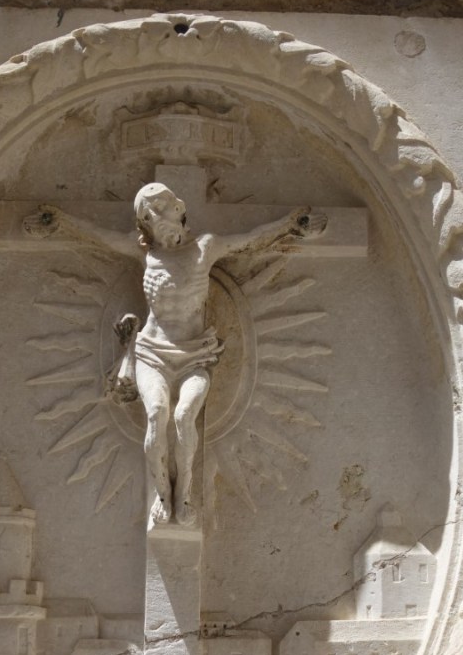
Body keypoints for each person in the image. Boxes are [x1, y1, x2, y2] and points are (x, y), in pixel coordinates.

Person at [24, 183, 327, 528]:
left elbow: (250, 241)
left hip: (195, 355)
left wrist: (290, 225)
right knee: (156, 412)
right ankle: (163, 495)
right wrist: (61, 223)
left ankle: (183, 493)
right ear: (144, 224)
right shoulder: (146, 254)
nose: (155, 216)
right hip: (152, 353)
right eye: (147, 214)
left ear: (178, 208)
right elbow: (100, 238)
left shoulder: (205, 248)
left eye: (160, 207)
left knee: (184, 416)